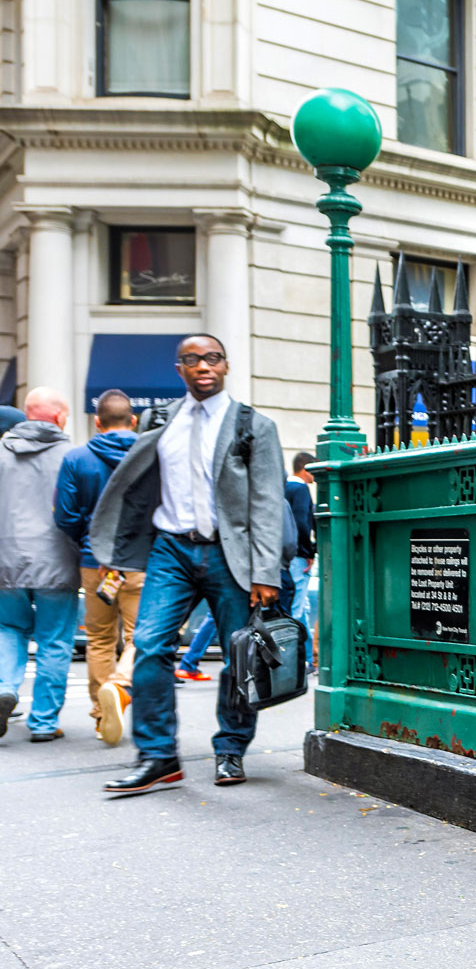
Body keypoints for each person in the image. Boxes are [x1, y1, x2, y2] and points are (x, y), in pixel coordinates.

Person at [91, 336, 285, 796]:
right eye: (192, 359)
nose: (203, 366)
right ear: (179, 368)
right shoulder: (160, 421)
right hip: (170, 550)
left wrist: (265, 572)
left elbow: (267, 502)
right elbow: (135, 486)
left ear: (226, 366)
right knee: (150, 645)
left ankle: (231, 747)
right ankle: (158, 757)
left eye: (212, 358)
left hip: (229, 554)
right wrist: (120, 550)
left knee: (240, 657)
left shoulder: (252, 425)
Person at [54, 390, 142, 745]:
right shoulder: (149, 455)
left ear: (97, 422)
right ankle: (121, 688)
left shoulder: (76, 458)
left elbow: (65, 516)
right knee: (142, 636)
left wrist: (88, 540)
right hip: (140, 559)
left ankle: (102, 711)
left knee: (99, 639)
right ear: (133, 420)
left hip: (95, 562)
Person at [0, 388, 81, 742]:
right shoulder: (74, 457)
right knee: (55, 640)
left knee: (7, 629)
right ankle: (44, 722)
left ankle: (5, 688)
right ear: (60, 417)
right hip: (57, 562)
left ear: (27, 414)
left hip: (5, 562)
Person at [287, 452, 318, 669]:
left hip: (286, 554)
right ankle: (294, 662)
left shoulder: (284, 487)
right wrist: (309, 551)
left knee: (303, 608)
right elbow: (301, 523)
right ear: (305, 469)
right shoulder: (300, 489)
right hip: (299, 556)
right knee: (297, 610)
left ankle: (307, 660)